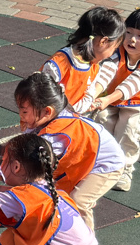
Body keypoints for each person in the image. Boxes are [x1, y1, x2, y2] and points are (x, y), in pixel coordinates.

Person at [10, 72, 124, 233]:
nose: (21, 116)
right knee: (54, 190)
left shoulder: (55, 137)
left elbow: (28, 165)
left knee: (78, 201)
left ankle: (86, 242)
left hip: (107, 164)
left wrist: (1, 178)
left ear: (47, 111)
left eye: (24, 112)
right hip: (89, 155)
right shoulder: (48, 119)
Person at [91, 8, 140, 192]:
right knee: (101, 120)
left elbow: (134, 83)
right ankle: (102, 162)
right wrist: (93, 94)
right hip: (112, 97)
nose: (132, 39)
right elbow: (106, 72)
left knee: (128, 129)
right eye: (129, 32)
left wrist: (108, 98)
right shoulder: (117, 51)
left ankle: (124, 169)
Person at [41, 7, 124, 114]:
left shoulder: (94, 65)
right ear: (103, 41)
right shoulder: (59, 64)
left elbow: (89, 92)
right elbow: (43, 99)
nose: (112, 54)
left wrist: (84, 106)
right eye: (114, 48)